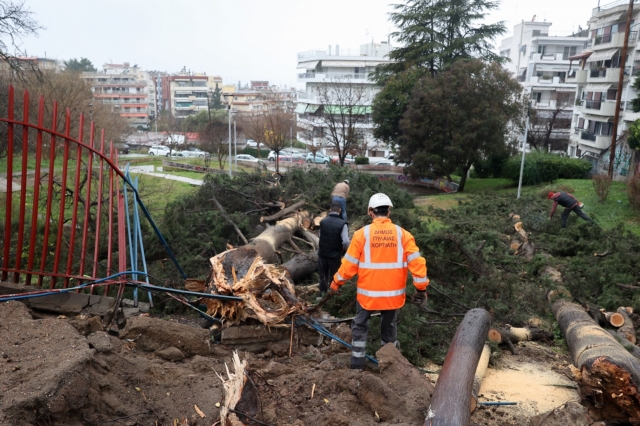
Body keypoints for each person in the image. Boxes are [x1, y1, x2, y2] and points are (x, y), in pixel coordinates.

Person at [330, 193, 428, 370]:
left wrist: (336, 282)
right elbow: (417, 262)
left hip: (368, 295)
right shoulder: (403, 235)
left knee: (360, 325)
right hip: (393, 295)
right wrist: (421, 288)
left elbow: (349, 265)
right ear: (388, 212)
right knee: (389, 326)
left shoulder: (362, 235)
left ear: (370, 212)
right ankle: (389, 366)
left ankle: (357, 365)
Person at [317, 201, 350, 298]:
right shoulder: (342, 224)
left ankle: (321, 295)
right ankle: (331, 297)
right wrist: (345, 251)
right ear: (340, 211)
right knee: (333, 277)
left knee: (322, 276)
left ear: (330, 210)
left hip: (322, 254)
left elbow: (320, 235)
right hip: (335, 255)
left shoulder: (323, 222)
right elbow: (346, 241)